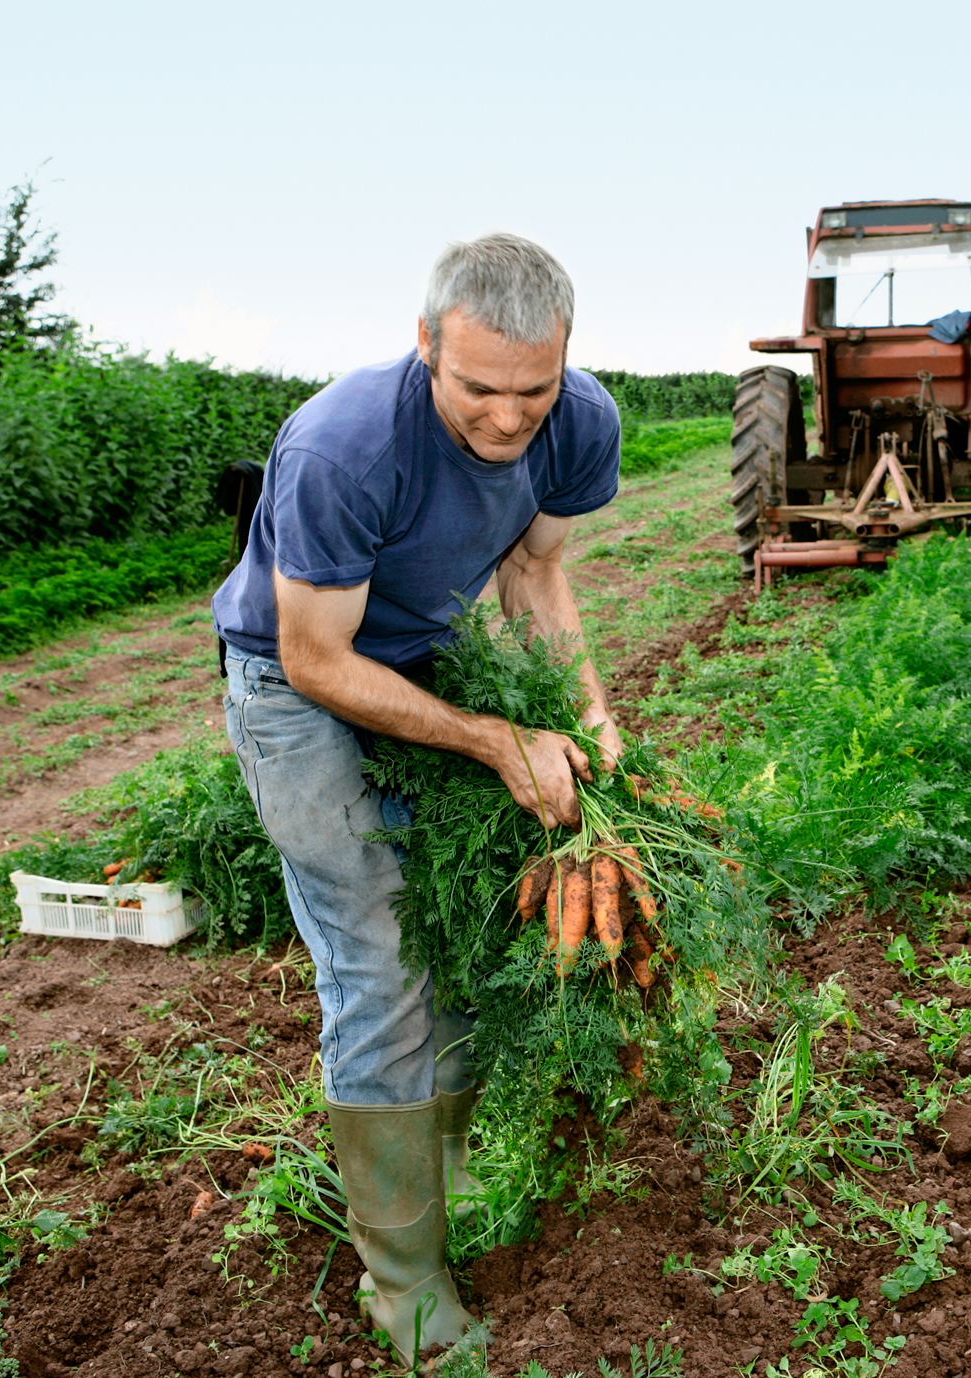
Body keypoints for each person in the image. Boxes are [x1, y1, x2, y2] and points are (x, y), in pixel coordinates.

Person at [211, 233, 623, 1363]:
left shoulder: (581, 422)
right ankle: (403, 1288)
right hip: (297, 685)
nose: (508, 419)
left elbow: (534, 572)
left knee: (460, 923)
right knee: (382, 962)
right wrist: (494, 739)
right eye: (480, 389)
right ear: (427, 344)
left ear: (565, 359)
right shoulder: (344, 448)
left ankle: (436, 1176)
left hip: (427, 663)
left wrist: (590, 721)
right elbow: (316, 658)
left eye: (533, 391)